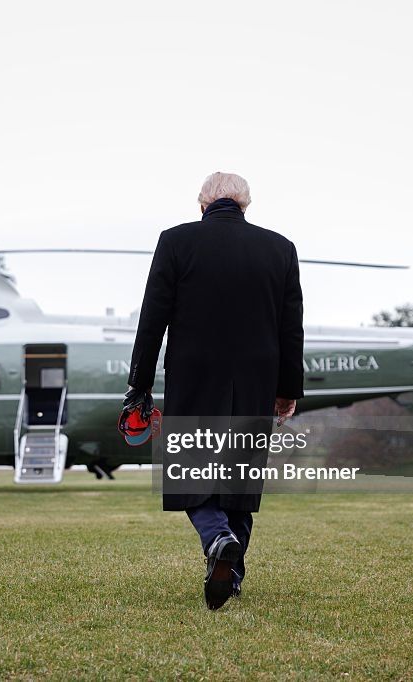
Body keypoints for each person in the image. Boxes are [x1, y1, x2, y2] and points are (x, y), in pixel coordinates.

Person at [125, 171, 304, 610]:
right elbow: (290, 328)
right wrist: (287, 389)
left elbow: (153, 319)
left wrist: (139, 384)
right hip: (257, 375)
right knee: (239, 476)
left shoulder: (175, 241)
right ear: (245, 205)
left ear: (202, 204)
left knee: (191, 467)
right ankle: (232, 572)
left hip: (194, 372)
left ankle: (217, 538)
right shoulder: (280, 248)